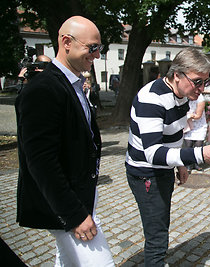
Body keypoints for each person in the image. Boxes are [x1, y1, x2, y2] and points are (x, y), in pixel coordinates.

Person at [15, 16, 114, 266]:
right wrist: (75, 214)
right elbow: (39, 160)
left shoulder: (73, 84)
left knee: (67, 261)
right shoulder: (43, 89)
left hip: (80, 195)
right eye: (92, 48)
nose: (97, 55)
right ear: (66, 42)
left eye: (99, 49)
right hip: (66, 205)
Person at [125, 47, 210, 266]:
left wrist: (180, 164)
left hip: (162, 170)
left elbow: (174, 134)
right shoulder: (152, 98)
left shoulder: (181, 94)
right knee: (157, 235)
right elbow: (153, 153)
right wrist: (199, 154)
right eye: (197, 81)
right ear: (176, 75)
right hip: (146, 172)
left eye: (206, 81)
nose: (201, 88)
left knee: (161, 225)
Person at [183, 93, 208, 172]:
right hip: (188, 125)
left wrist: (188, 115)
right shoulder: (185, 97)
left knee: (198, 145)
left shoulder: (200, 98)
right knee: (188, 145)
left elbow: (198, 115)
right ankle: (188, 164)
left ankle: (196, 163)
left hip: (199, 125)